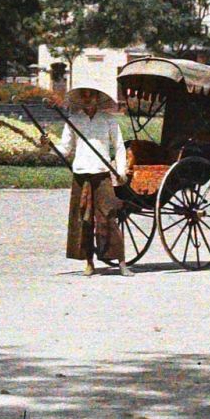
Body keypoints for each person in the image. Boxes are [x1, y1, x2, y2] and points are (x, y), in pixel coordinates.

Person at [60, 55, 130, 275]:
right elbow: (65, 149)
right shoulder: (73, 120)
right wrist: (47, 147)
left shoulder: (108, 120)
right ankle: (89, 262)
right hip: (81, 174)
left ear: (98, 98)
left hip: (102, 175)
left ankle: (121, 263)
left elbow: (119, 147)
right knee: (83, 219)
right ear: (81, 98)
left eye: (92, 95)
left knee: (108, 216)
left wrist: (121, 171)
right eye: (85, 95)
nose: (88, 99)